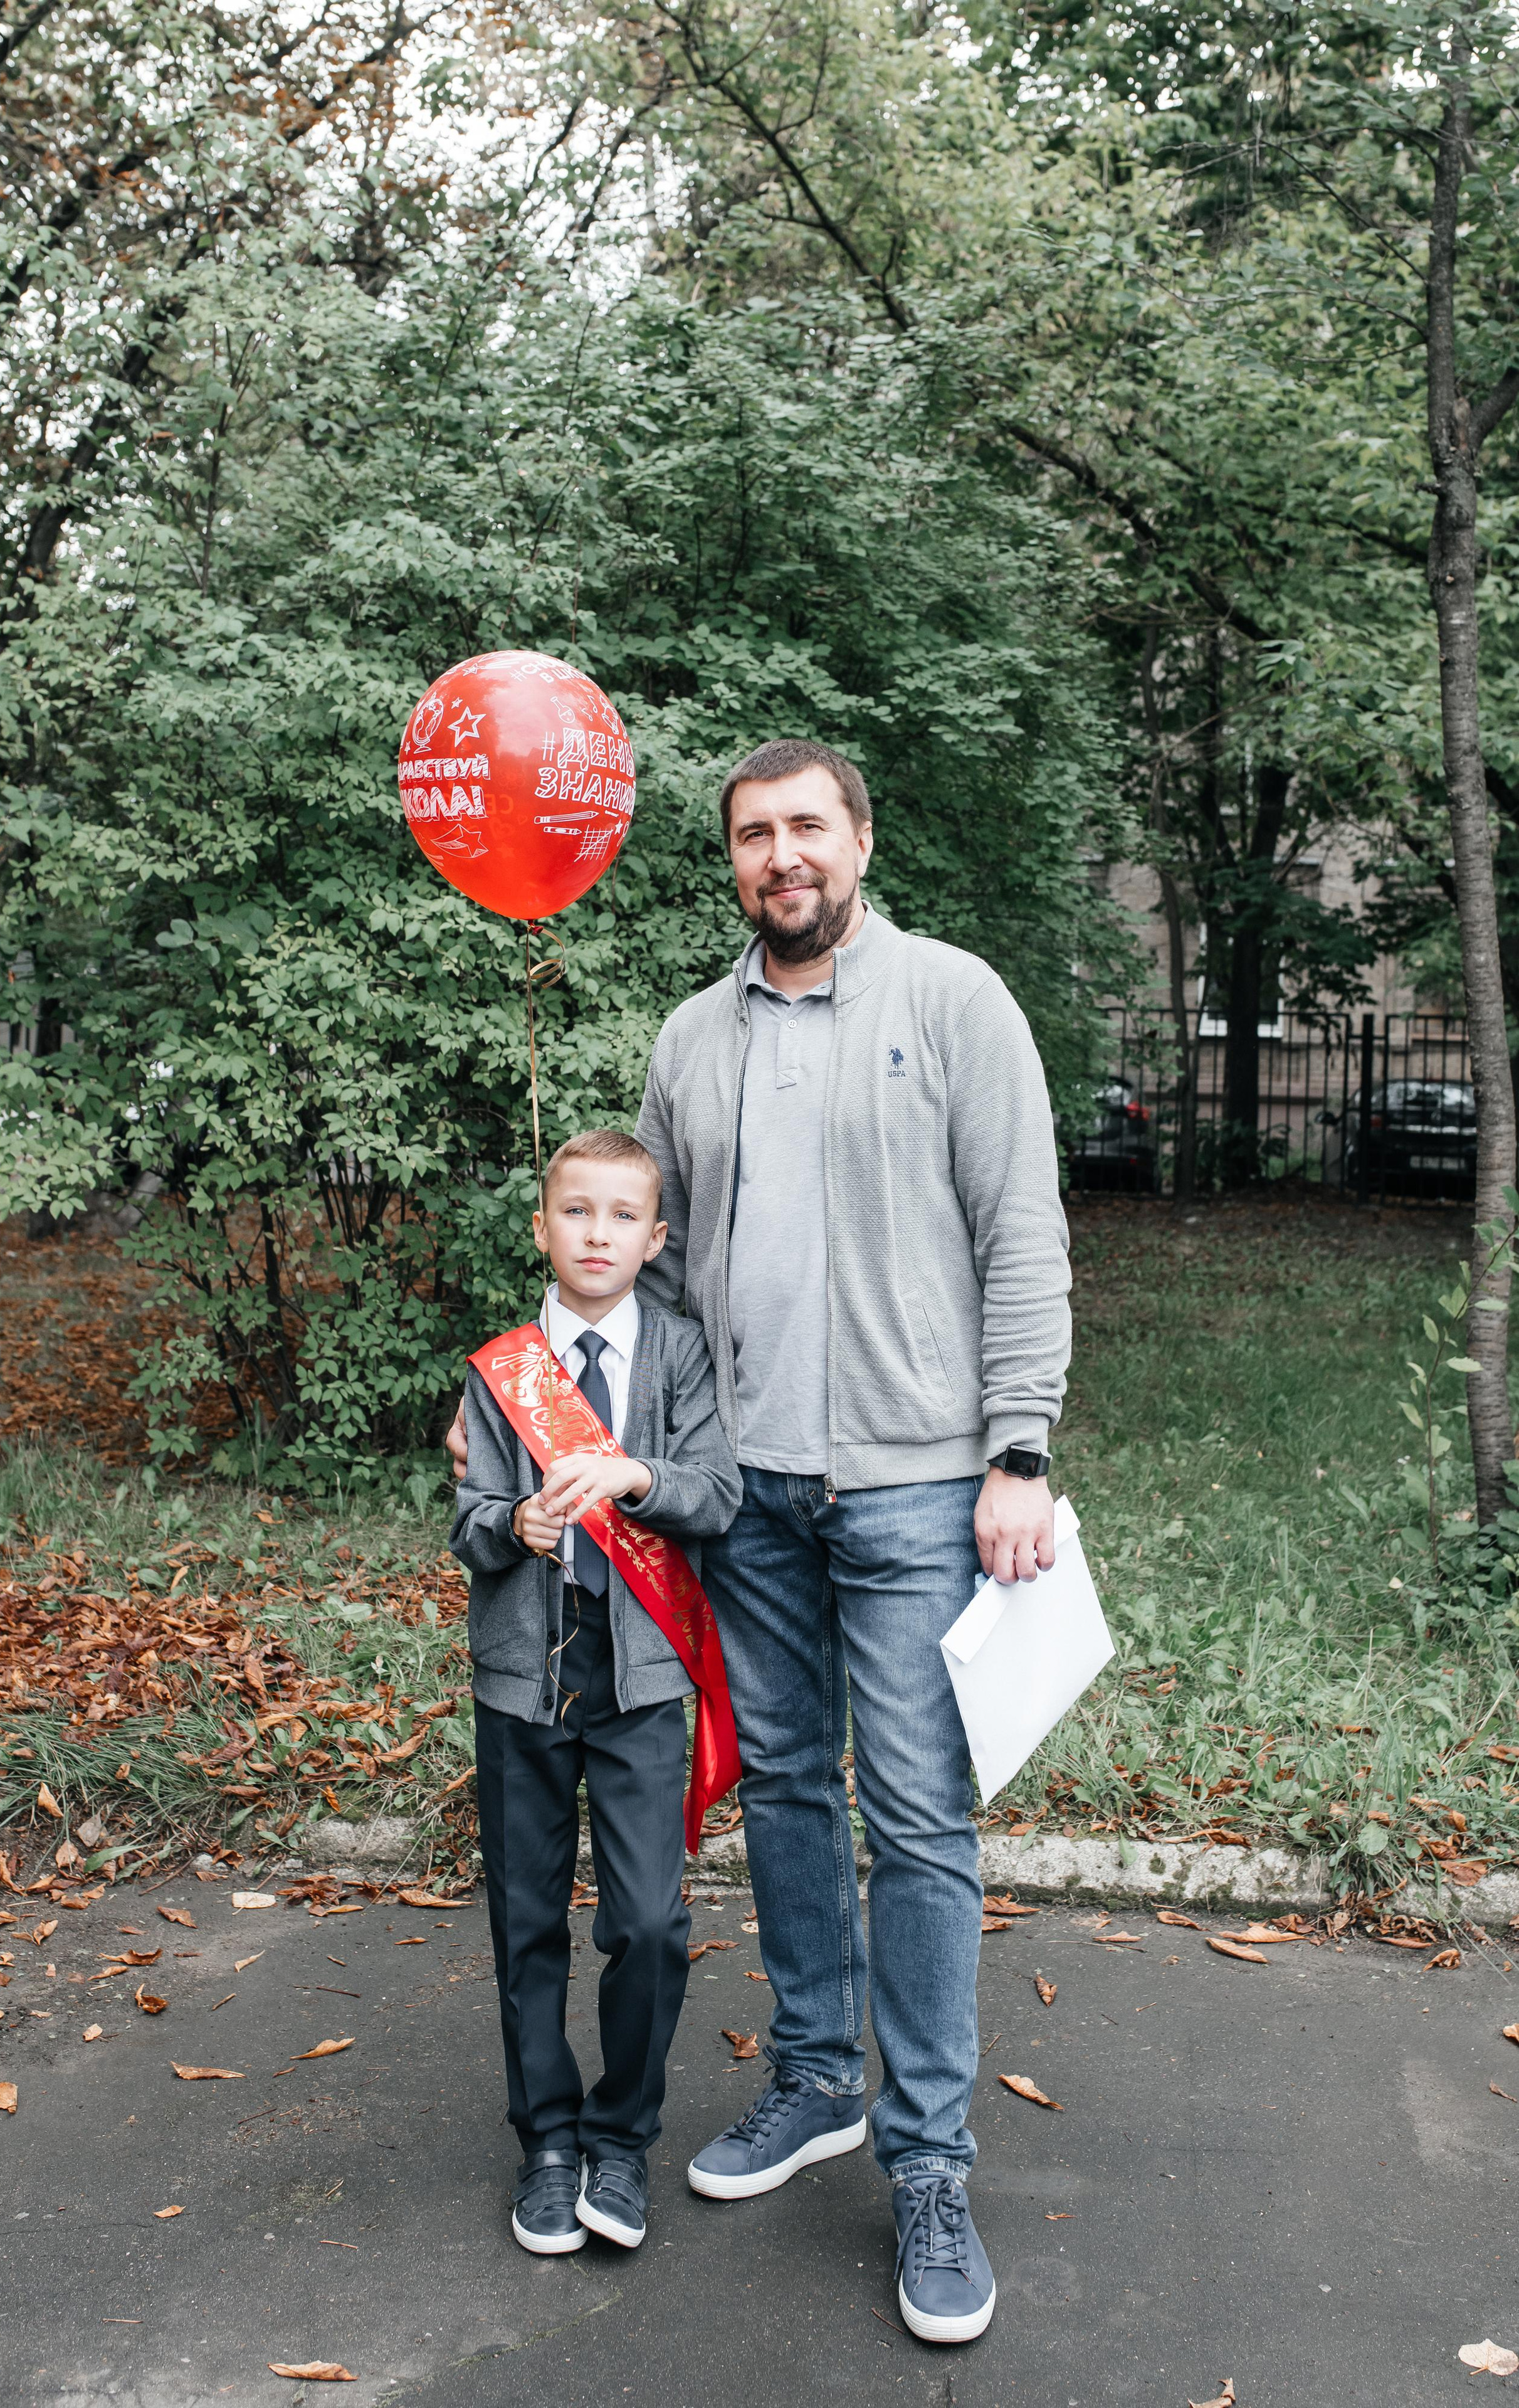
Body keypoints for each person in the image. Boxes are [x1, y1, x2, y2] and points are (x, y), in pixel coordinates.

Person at [448, 736, 1070, 2345]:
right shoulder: (688, 1041)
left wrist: (1019, 1451)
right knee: (789, 1784)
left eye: (805, 826)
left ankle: (928, 2161)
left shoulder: (953, 1003)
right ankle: (814, 2081)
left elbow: (1022, 1235)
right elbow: (636, 1283)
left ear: (859, 838)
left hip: (923, 1485)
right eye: (750, 835)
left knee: (919, 1819)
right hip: (749, 1497)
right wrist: (532, 1411)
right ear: (729, 862)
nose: (779, 855)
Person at [450, 1128, 742, 2259]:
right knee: (527, 1923)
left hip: (640, 1681)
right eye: (577, 1213)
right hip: (525, 1676)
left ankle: (621, 2138)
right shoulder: (501, 1368)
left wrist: (636, 1476)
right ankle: (550, 2143)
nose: (598, 1235)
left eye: (623, 1218)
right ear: (542, 1226)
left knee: (652, 1924)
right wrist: (510, 1526)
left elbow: (715, 1496)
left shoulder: (676, 1354)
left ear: (656, 1239)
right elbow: (466, 1514)